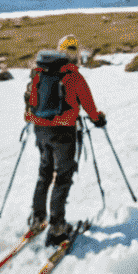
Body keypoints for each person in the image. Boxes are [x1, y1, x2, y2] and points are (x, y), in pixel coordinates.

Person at [25, 33, 106, 247]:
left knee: (44, 173)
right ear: (76, 53)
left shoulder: (40, 71)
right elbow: (88, 103)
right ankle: (57, 226)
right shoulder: (73, 75)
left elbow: (31, 99)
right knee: (63, 176)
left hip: (40, 129)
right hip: (63, 131)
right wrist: (98, 120)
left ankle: (37, 218)